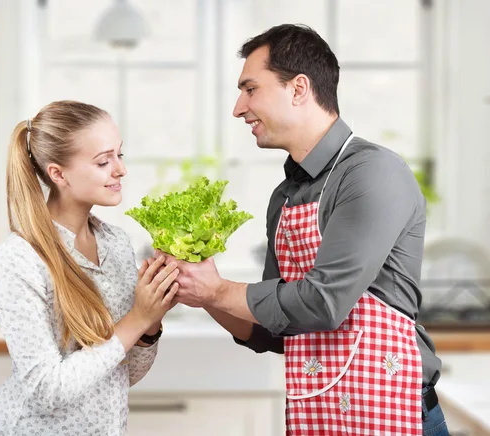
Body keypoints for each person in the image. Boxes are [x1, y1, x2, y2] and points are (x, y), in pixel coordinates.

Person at [158, 24, 448, 435]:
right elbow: (273, 328)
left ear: (298, 89)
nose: (238, 108)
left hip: (394, 414)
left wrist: (219, 290)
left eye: (250, 89)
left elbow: (324, 303)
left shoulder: (371, 173)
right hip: (321, 416)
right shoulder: (286, 195)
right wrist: (200, 291)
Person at [0, 100, 180, 435]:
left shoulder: (115, 243)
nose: (120, 169)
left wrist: (151, 322)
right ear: (58, 174)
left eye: (120, 154)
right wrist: (137, 319)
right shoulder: (18, 260)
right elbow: (48, 390)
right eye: (103, 161)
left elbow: (122, 376)